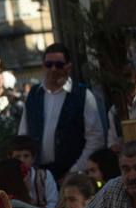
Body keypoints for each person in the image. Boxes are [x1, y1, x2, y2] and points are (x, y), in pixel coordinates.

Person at [18, 43, 106, 181]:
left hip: (72, 173)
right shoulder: (34, 94)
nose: (53, 69)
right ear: (43, 66)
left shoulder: (82, 95)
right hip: (38, 174)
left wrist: (76, 171)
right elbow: (23, 136)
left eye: (59, 64)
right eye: (49, 64)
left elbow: (96, 138)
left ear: (68, 67)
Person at [9, 135, 58, 208]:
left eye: (26, 156)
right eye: (17, 157)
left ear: (33, 158)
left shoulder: (44, 176)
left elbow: (53, 203)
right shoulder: (8, 177)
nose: (22, 160)